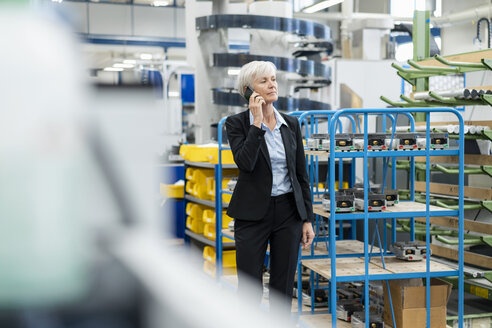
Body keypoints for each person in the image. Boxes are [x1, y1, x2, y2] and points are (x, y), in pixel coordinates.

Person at [225, 61, 315, 315]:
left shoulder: (292, 125)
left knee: (283, 285)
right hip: (252, 214)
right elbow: (245, 163)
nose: (272, 84)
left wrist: (306, 218)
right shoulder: (236, 124)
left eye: (273, 79)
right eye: (263, 81)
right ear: (247, 91)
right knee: (250, 286)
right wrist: (256, 124)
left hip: (288, 212)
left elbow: (301, 175)